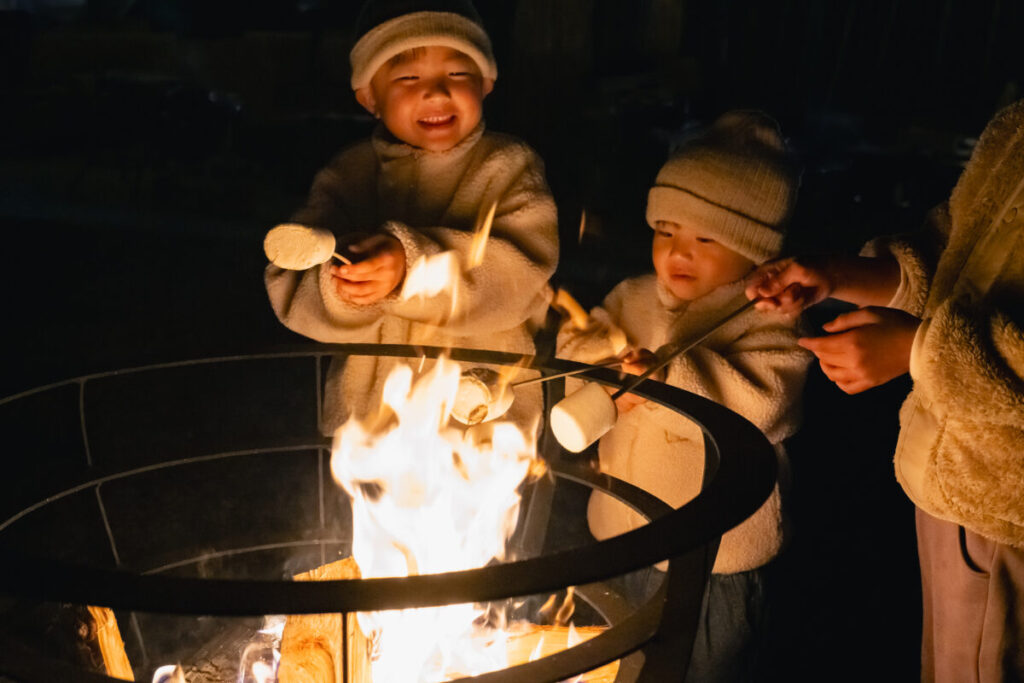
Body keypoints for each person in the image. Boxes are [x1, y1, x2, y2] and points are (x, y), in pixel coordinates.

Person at [746, 99, 1024, 681]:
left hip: (1007, 516)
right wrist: (843, 275)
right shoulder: (1015, 128)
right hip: (950, 490)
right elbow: (954, 249)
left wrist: (919, 350)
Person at [557, 110, 812, 681]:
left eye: (705, 237)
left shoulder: (769, 321)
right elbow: (584, 364)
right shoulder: (633, 297)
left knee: (705, 665)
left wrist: (675, 378)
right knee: (621, 656)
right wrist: (597, 369)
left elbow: (764, 403)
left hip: (716, 554)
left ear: (757, 249)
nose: (678, 251)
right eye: (665, 231)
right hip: (624, 534)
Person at [264, 0, 558, 433]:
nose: (437, 92)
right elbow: (291, 282)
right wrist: (345, 289)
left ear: (486, 82)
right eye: (408, 77)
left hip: (479, 414)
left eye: (458, 74)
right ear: (370, 97)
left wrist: (413, 270)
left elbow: (521, 273)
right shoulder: (349, 175)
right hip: (372, 423)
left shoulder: (508, 167)